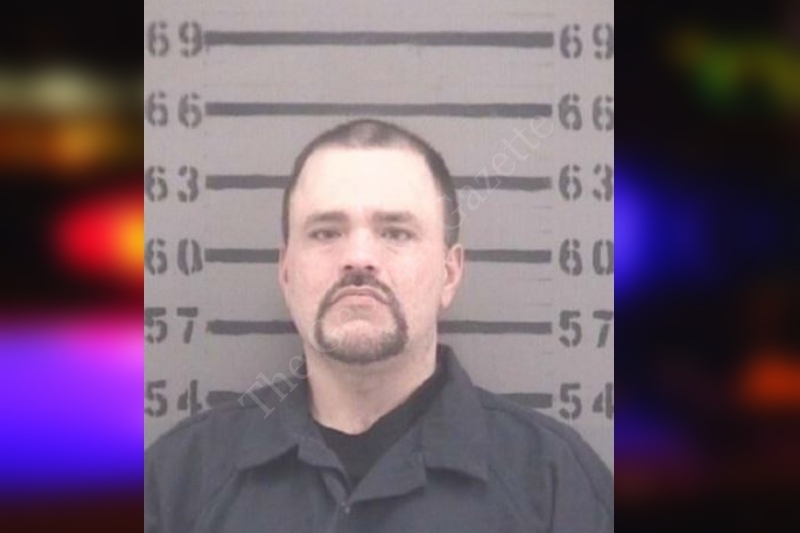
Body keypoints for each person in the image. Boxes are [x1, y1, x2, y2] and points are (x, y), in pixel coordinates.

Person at [145, 119, 613, 532]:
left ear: (449, 274)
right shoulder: (179, 482)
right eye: (326, 232)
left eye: (396, 232)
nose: (359, 258)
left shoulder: (555, 486)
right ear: (286, 273)